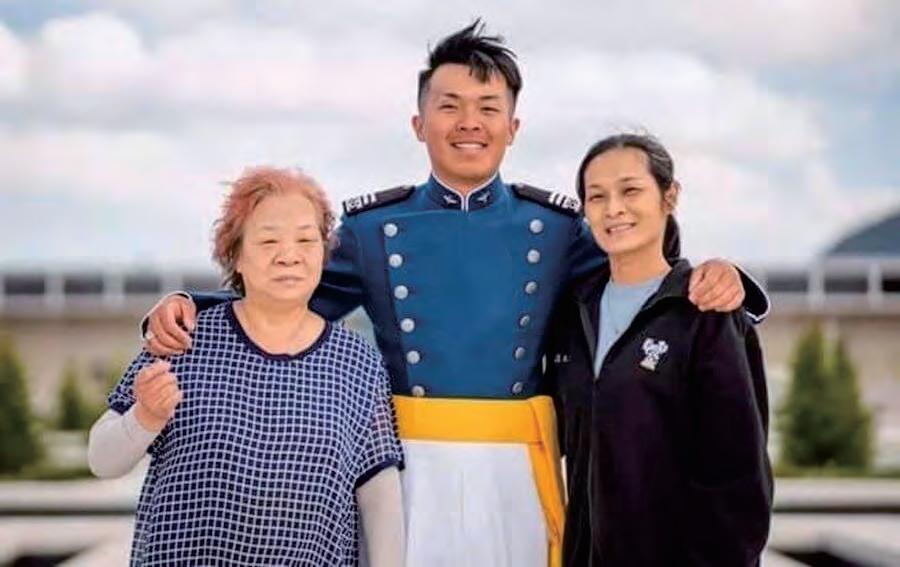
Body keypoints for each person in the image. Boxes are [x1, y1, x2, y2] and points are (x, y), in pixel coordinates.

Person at [141, 22, 768, 567]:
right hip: (409, 465)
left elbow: (636, 269)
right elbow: (285, 293)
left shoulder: (556, 228)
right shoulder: (372, 229)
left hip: (517, 466)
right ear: (419, 123)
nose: (470, 123)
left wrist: (722, 275)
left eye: (488, 107)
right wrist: (191, 307)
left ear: (513, 127)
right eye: (450, 106)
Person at [87, 167, 404, 566]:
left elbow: (379, 494)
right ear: (235, 255)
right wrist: (145, 417)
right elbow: (102, 460)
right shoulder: (183, 339)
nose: (289, 255)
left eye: (306, 240)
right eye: (269, 240)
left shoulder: (357, 362)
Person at [545, 134, 772, 566]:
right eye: (597, 196)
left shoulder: (706, 313)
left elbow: (739, 478)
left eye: (630, 190)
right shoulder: (573, 314)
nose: (613, 209)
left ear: (670, 196)